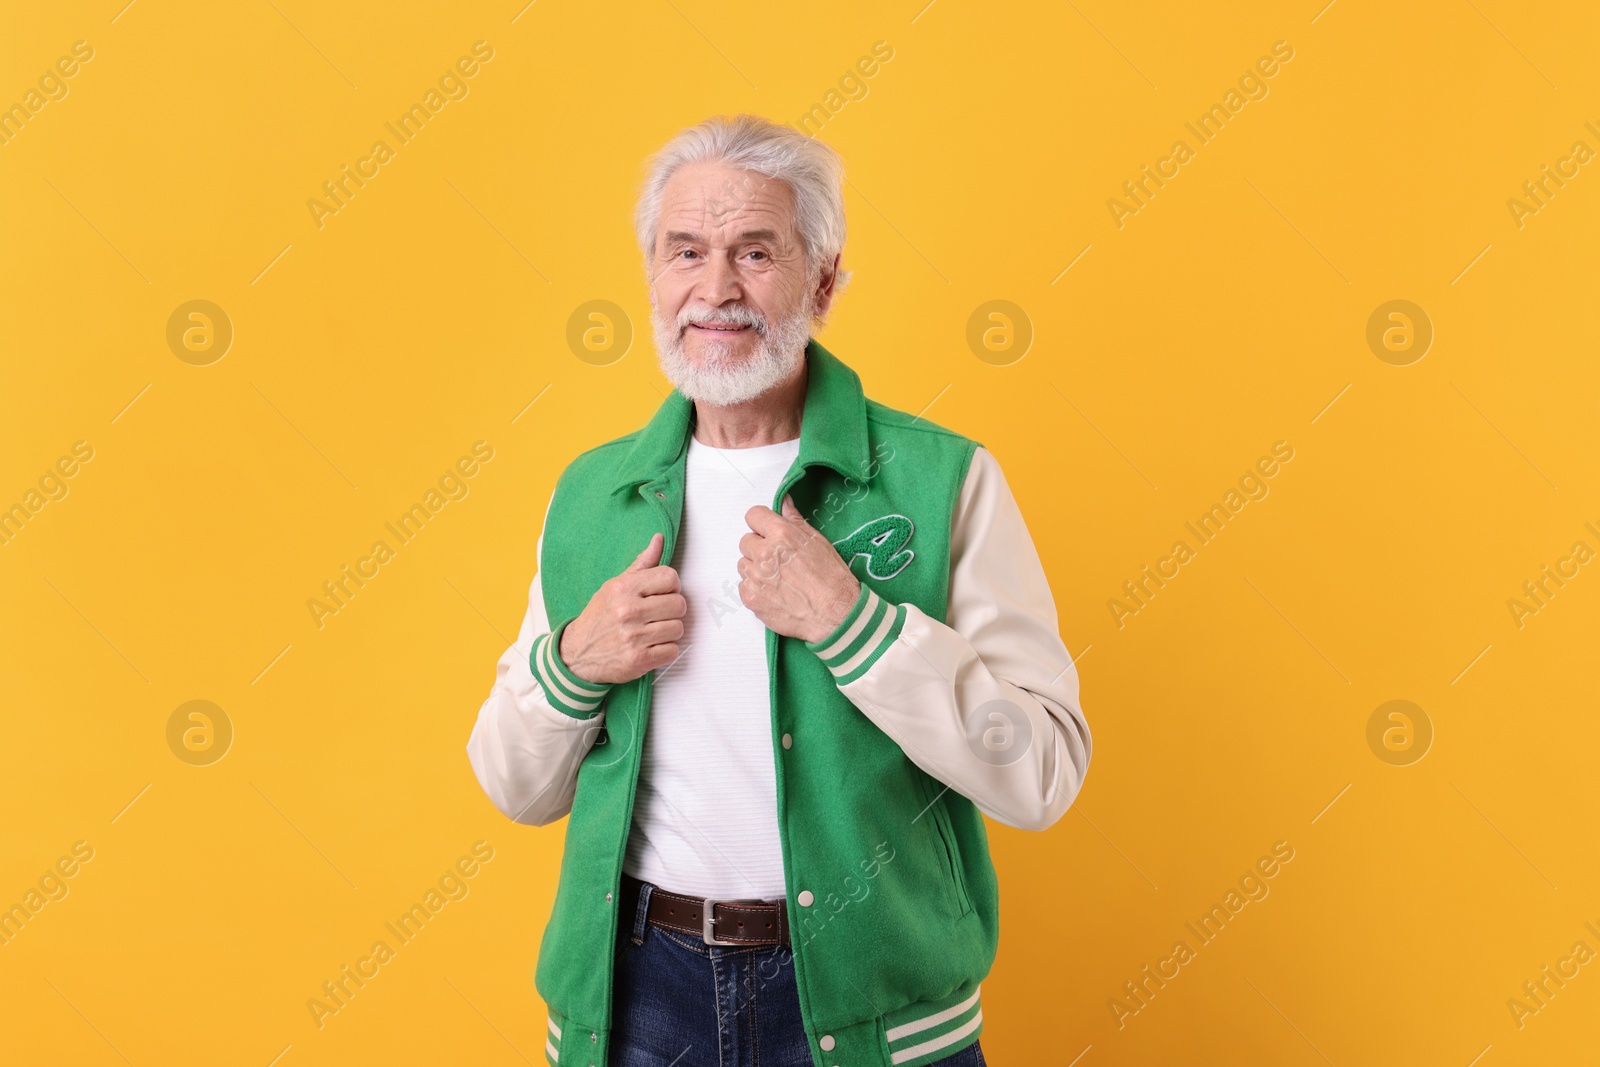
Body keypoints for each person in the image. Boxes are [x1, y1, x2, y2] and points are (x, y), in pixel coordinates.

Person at [467, 113, 1091, 1067]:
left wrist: (860, 629)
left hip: (873, 1007)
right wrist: (575, 663)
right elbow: (515, 786)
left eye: (755, 252)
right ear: (653, 277)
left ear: (825, 281)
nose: (715, 290)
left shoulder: (944, 479)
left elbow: (1042, 772)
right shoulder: (591, 495)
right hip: (636, 1002)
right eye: (686, 252)